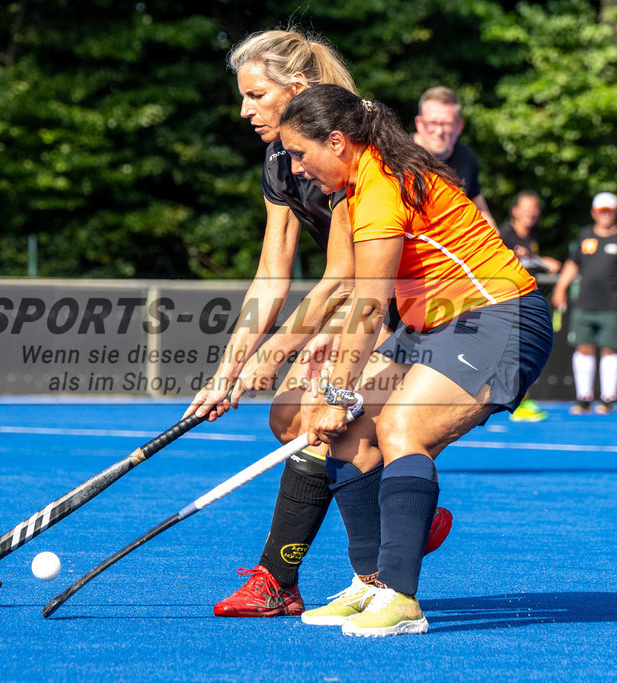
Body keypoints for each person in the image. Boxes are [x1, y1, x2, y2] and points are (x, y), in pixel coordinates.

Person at [229, 84, 552, 636]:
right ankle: (371, 581)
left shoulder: (379, 186)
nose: (298, 170)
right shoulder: (356, 187)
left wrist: (335, 392)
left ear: (336, 141)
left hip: (498, 316)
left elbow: (369, 301)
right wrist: (297, 374)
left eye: (302, 155)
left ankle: (401, 598)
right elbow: (343, 286)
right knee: (342, 432)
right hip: (435, 325)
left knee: (402, 427)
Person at [184, 29, 451, 619]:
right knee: (288, 418)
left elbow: (344, 278)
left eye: (256, 95)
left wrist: (277, 352)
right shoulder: (283, 158)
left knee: (315, 417)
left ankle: (285, 578)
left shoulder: (339, 151)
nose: (245, 108)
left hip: (405, 306)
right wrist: (227, 369)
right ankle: (394, 519)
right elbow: (271, 272)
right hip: (358, 297)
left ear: (296, 90)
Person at [551, 192, 617, 415]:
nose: (605, 215)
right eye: (602, 211)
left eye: (609, 210)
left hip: (612, 305)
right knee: (583, 348)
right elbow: (573, 265)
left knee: (610, 349)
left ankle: (608, 399)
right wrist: (560, 288)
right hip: (584, 303)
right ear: (594, 212)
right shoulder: (585, 235)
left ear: (616, 212)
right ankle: (584, 398)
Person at [497, 190, 561, 422]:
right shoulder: (504, 235)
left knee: (521, 351)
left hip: (523, 302)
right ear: (514, 210)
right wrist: (541, 261)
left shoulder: (529, 237)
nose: (530, 213)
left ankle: (519, 399)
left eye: (534, 208)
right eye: (525, 208)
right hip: (505, 302)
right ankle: (517, 403)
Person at [412, 86, 496, 228]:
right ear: (419, 124)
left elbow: (480, 210)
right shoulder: (398, 158)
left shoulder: (467, 158)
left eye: (447, 124)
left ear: (459, 126)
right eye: (432, 123)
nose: (439, 131)